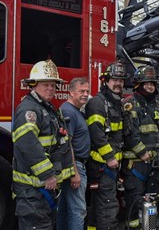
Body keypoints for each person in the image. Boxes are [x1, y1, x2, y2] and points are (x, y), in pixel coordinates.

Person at [12, 59, 74, 229]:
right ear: (33, 85)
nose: (50, 88)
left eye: (53, 85)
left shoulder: (47, 109)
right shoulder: (29, 110)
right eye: (45, 84)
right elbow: (27, 144)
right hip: (33, 190)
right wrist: (47, 174)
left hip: (43, 190)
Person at [121, 66, 159, 230]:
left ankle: (149, 226)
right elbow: (130, 134)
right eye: (147, 83)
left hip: (156, 161)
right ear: (138, 84)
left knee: (152, 197)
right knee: (134, 197)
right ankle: (132, 227)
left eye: (152, 83)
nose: (150, 86)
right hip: (137, 163)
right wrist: (142, 152)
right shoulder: (130, 104)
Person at [85, 62, 125, 229]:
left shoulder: (117, 103)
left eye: (121, 80)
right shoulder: (97, 103)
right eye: (114, 79)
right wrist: (109, 158)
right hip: (102, 165)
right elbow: (97, 135)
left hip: (111, 165)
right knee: (108, 205)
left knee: (97, 204)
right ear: (105, 81)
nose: (118, 83)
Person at [57, 77, 91, 230]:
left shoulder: (75, 110)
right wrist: (74, 172)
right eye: (81, 91)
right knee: (78, 210)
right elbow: (66, 144)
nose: (85, 94)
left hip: (74, 165)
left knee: (65, 209)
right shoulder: (68, 111)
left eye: (87, 91)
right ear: (70, 92)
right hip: (75, 165)